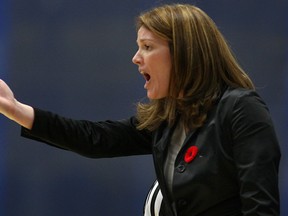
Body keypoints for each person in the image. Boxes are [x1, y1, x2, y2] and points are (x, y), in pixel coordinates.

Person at [0, 3, 281, 216]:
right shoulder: (169, 119)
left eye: (147, 47)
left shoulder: (241, 109)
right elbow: (95, 138)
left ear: (184, 52)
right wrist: (16, 109)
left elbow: (261, 207)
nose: (136, 58)